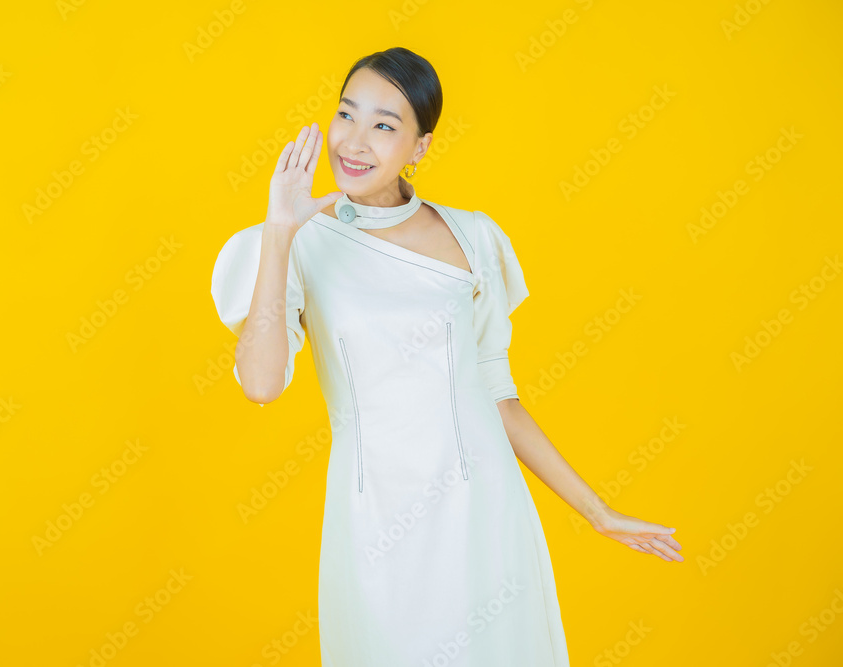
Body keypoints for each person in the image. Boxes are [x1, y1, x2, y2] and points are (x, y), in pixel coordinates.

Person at [211, 46, 682, 667]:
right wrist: (278, 233)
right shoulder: (299, 241)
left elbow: (499, 397)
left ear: (420, 145)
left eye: (384, 125)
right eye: (346, 114)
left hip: (484, 512)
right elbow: (261, 383)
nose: (354, 141)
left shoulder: (472, 236)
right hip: (377, 520)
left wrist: (598, 512)